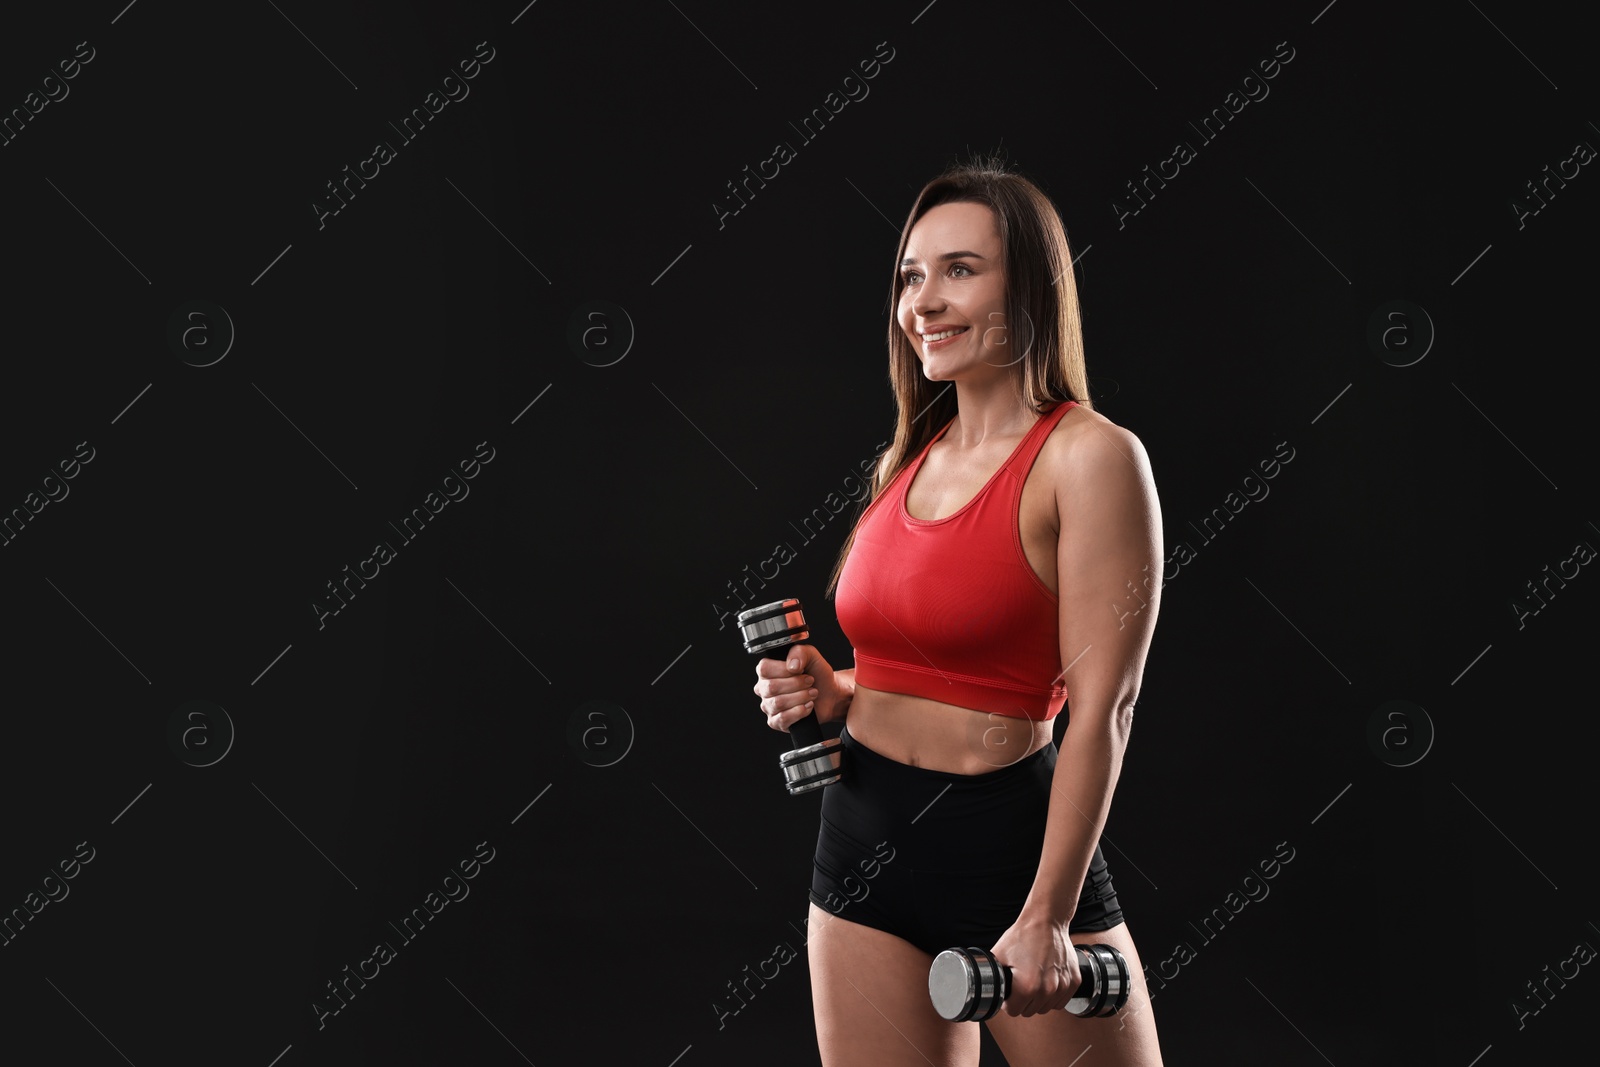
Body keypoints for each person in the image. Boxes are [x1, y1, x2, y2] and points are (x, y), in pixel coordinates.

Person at [752, 158, 1166, 1066]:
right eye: (910, 275)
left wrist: (1050, 916)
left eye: (959, 270)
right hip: (860, 841)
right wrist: (837, 688)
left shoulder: (1090, 458)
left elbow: (1105, 705)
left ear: (1031, 287)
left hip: (1012, 855)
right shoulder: (911, 456)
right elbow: (937, 669)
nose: (923, 302)